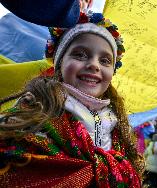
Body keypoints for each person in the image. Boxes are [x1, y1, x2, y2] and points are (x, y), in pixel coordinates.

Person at [0, 11, 144, 187]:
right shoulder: (35, 110)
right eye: (80, 55)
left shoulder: (116, 126)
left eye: (105, 60)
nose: (94, 64)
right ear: (59, 64)